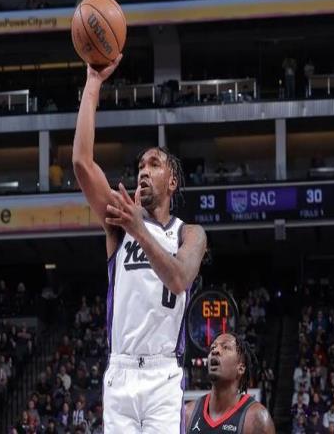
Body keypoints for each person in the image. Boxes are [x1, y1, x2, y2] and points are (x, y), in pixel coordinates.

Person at [72, 55, 207, 433]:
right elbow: (82, 163)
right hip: (122, 369)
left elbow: (179, 279)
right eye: (140, 167)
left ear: (172, 181)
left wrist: (140, 229)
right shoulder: (120, 221)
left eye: (154, 164)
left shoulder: (189, 233)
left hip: (163, 375)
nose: (144, 171)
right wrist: (93, 82)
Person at [185, 333, 275, 434]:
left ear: (241, 368)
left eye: (225, 347)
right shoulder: (188, 414)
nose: (215, 351)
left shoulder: (256, 418)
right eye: (213, 347)